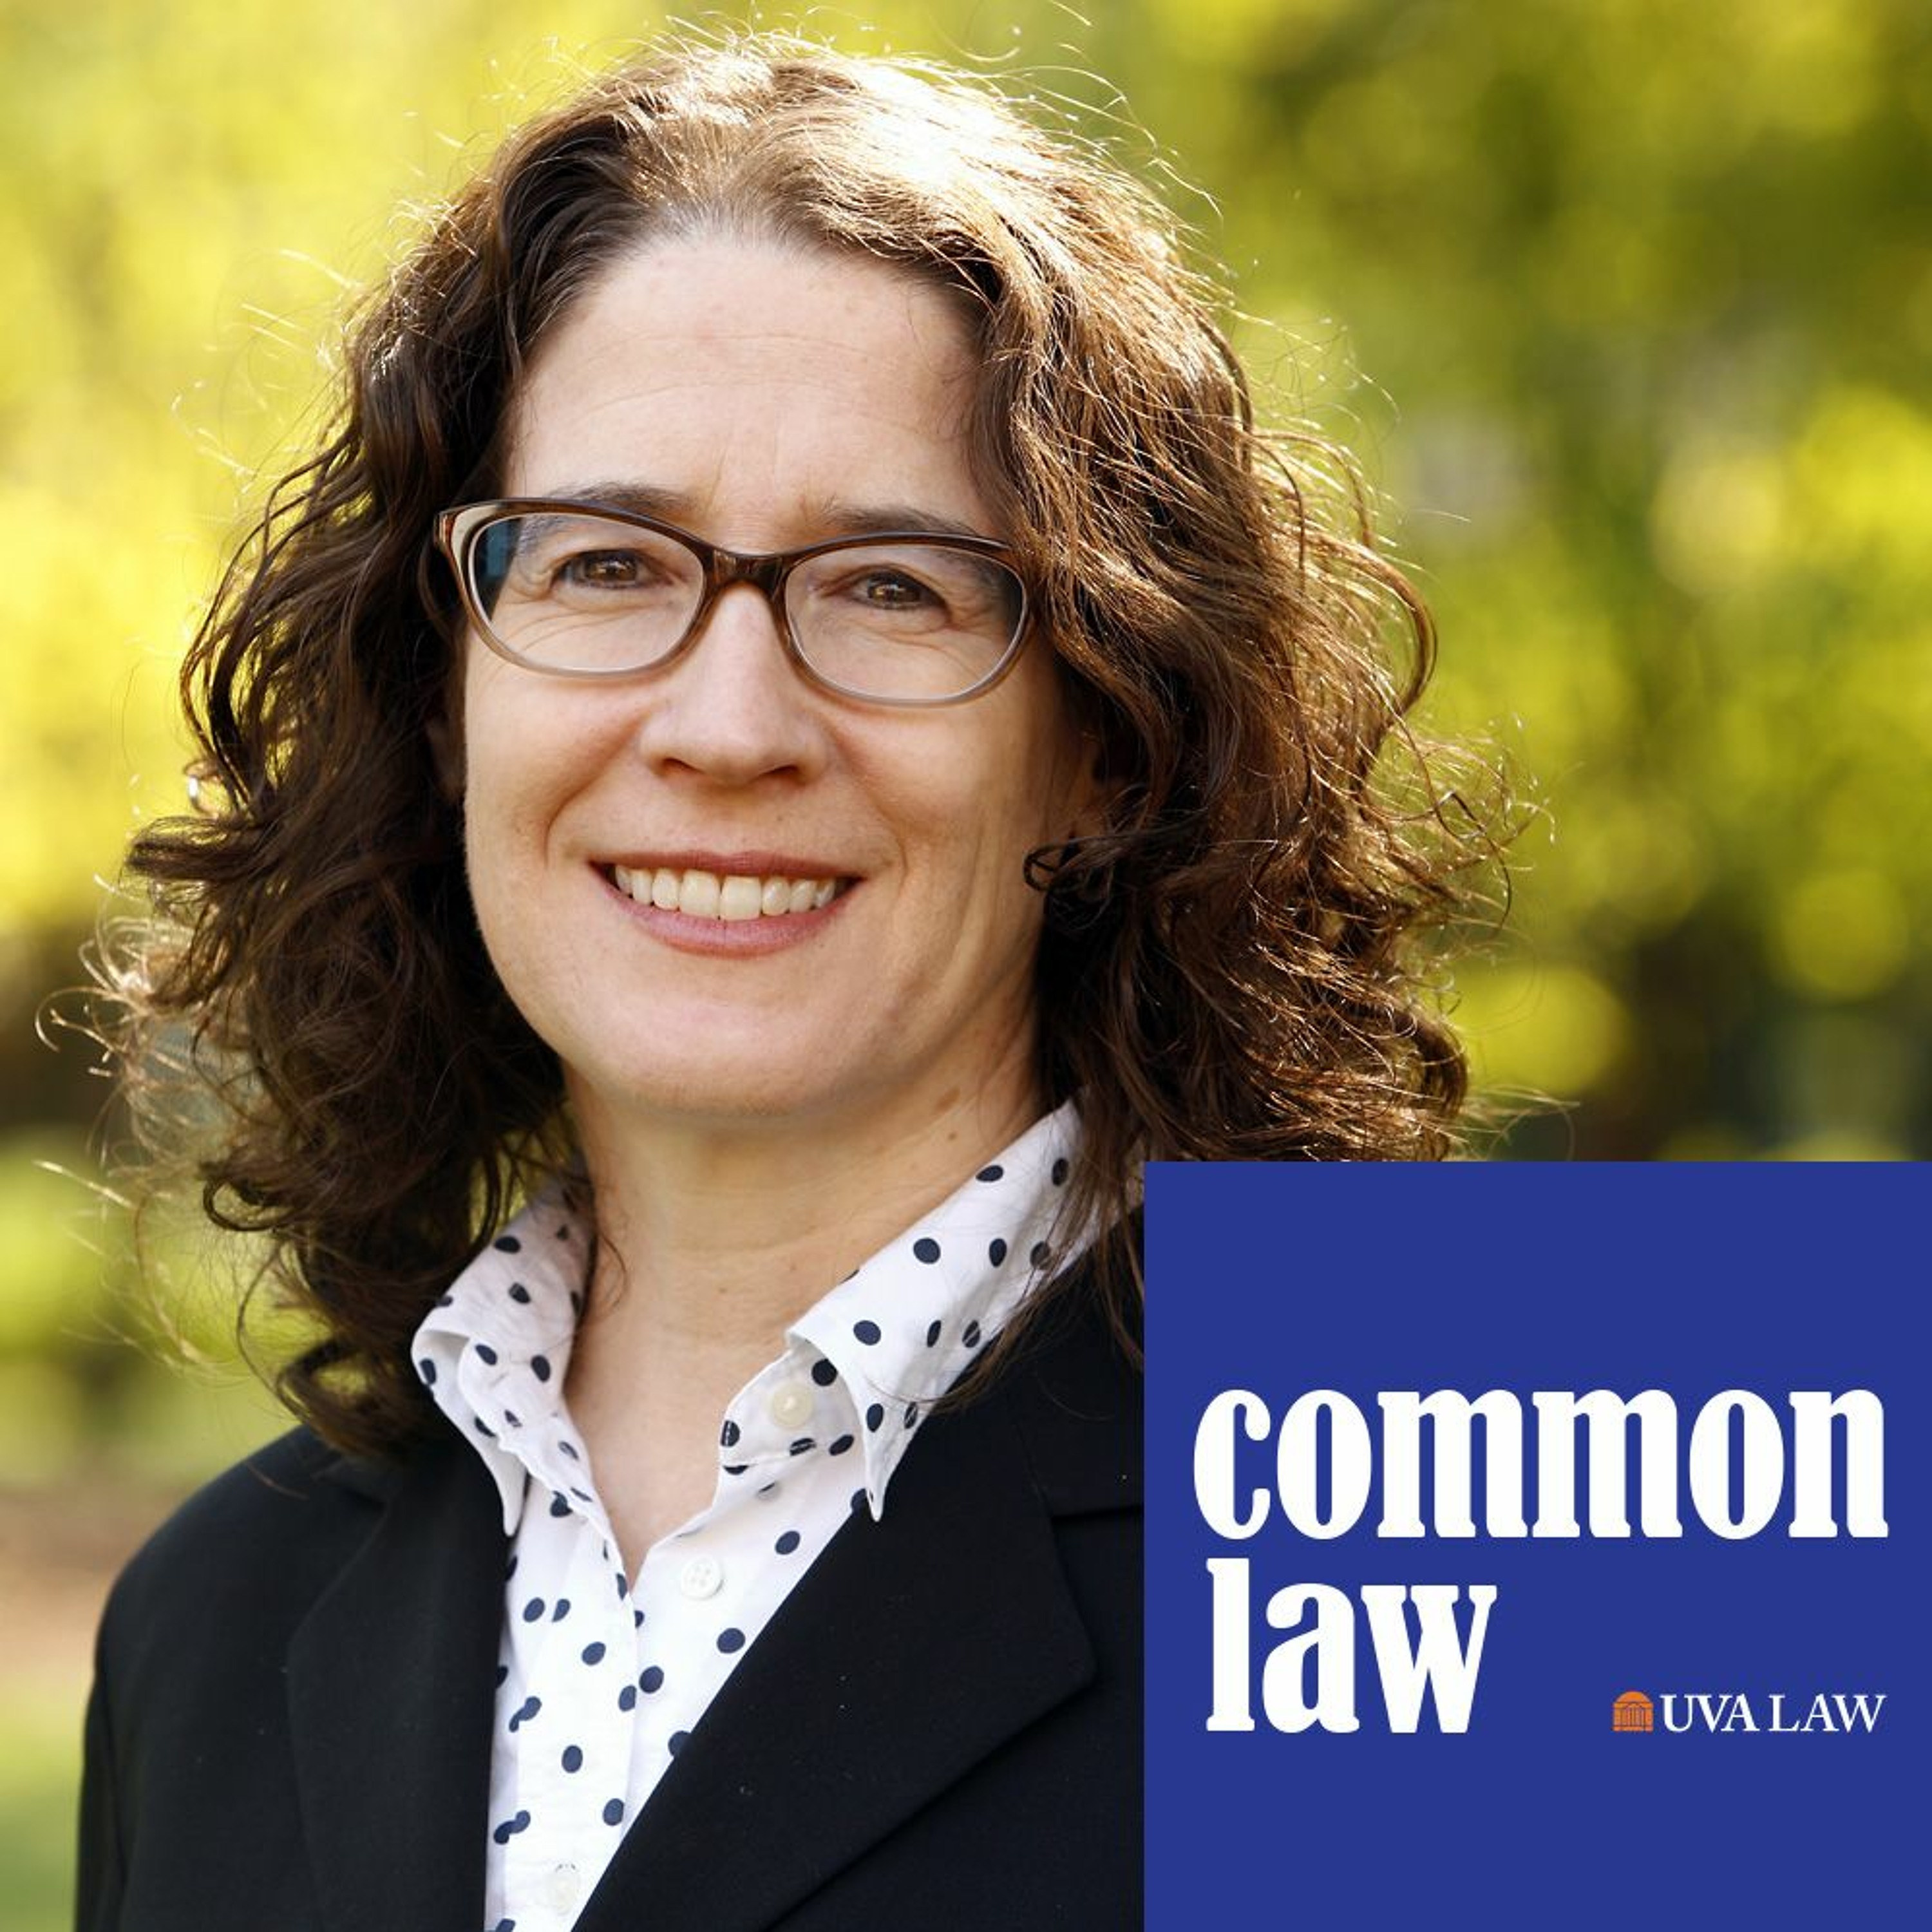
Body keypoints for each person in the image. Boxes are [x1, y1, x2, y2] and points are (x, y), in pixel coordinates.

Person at [77, 32, 1479, 1932]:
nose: (728, 725)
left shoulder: (1488, 1535)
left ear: (1110, 738)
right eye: (601, 566)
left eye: (893, 585)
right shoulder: (210, 1631)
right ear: (444, 696)